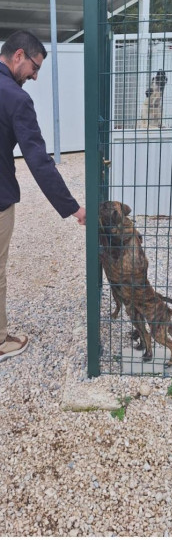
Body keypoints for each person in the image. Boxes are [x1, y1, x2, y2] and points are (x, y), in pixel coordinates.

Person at [0, 30, 86, 363]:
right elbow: (38, 160)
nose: (35, 76)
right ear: (18, 55)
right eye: (34, 67)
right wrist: (73, 208)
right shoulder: (15, 98)